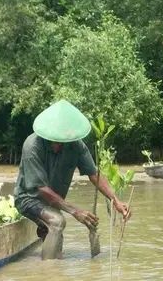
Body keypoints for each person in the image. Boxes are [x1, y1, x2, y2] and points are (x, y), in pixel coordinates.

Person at [14, 99, 131, 259]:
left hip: (53, 203)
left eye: (64, 139)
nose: (60, 144)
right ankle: (48, 272)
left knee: (58, 250)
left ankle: (49, 277)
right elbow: (41, 189)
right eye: (57, 139)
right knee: (57, 222)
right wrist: (76, 211)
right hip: (29, 199)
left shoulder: (76, 146)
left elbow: (94, 174)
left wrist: (116, 200)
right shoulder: (32, 145)